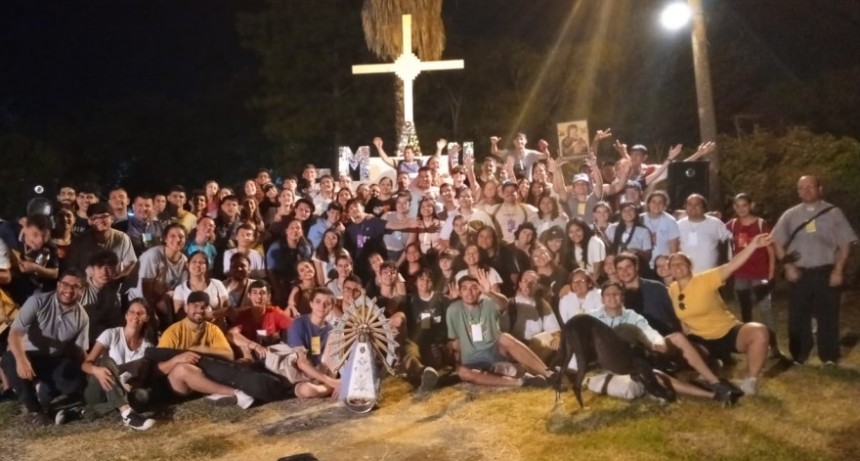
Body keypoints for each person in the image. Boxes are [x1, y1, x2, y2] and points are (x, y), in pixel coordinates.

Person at [668, 233, 773, 395]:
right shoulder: (672, 290)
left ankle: (750, 382)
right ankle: (710, 369)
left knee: (759, 331)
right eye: (673, 265)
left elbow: (732, 265)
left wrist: (753, 245)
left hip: (726, 330)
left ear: (690, 266)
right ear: (670, 271)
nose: (677, 267)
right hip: (700, 340)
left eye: (681, 263)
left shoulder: (705, 279)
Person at [772, 175, 858, 365]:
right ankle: (799, 354)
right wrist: (788, 266)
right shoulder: (790, 214)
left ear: (820, 188)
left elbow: (845, 243)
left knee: (828, 314)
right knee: (797, 315)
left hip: (825, 271)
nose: (807, 190)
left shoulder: (833, 213)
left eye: (811, 186)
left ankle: (829, 356)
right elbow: (776, 241)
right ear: (798, 191)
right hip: (799, 273)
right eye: (802, 187)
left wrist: (838, 270)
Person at [2, 271, 90, 425]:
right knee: (10, 359)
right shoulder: (37, 301)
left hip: (53, 361)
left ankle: (43, 391)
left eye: (76, 286)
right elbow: (14, 334)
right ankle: (35, 411)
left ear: (82, 291)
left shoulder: (82, 317)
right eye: (66, 284)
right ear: (58, 284)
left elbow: (79, 351)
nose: (69, 290)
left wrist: (90, 372)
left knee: (76, 382)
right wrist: (22, 360)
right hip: (28, 355)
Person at [446, 272, 554, 388]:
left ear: (479, 290)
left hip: (495, 352)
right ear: (460, 292)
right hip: (473, 360)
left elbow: (504, 303)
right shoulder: (453, 310)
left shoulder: (488, 304)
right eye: (465, 288)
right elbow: (455, 340)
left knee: (504, 337)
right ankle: (521, 382)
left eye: (474, 288)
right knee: (463, 372)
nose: (469, 292)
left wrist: (489, 292)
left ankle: (549, 374)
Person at [155, 291, 254, 409]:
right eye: (195, 306)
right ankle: (235, 393)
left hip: (206, 375)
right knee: (182, 368)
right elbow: (159, 369)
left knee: (239, 363)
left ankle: (217, 393)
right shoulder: (172, 332)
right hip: (179, 385)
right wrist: (178, 359)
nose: (199, 310)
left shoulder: (212, 329)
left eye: (203, 307)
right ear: (186, 308)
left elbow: (228, 355)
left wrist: (199, 350)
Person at [81, 298, 157, 430]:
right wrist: (96, 370)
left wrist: (131, 385)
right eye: (132, 312)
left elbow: (142, 380)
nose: (135, 316)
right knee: (107, 362)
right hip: (99, 388)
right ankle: (127, 414)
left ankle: (86, 412)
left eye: (140, 313)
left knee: (142, 395)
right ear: (126, 315)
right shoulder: (111, 334)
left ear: (147, 318)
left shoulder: (147, 346)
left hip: (122, 391)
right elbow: (86, 364)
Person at [726, 193, 781, 356]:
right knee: (744, 310)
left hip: (760, 273)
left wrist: (771, 273)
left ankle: (774, 347)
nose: (741, 209)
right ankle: (748, 344)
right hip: (741, 273)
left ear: (751, 205)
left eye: (744, 205)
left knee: (766, 309)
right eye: (737, 206)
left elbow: (771, 251)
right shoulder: (731, 225)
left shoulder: (761, 224)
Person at [127, 224, 189, 330]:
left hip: (163, 297)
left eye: (181, 236)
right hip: (140, 298)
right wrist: (152, 311)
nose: (177, 239)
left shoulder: (184, 260)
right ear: (165, 239)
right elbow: (145, 289)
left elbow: (182, 288)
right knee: (154, 322)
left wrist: (167, 297)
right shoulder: (154, 255)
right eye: (172, 236)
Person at [403, 269, 456, 392]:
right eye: (421, 279)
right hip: (419, 342)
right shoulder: (411, 301)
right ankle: (423, 373)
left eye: (429, 280)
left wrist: (454, 300)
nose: (425, 282)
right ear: (416, 282)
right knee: (410, 351)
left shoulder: (441, 298)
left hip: (440, 341)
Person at [285, 287, 341, 398]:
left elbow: (331, 362)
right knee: (307, 390)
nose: (322, 306)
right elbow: (301, 363)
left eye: (327, 303)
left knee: (337, 334)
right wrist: (331, 382)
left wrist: (330, 378)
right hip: (299, 374)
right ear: (311, 304)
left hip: (319, 373)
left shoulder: (330, 330)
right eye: (318, 301)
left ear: (331, 307)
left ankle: (331, 386)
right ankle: (331, 387)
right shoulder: (298, 324)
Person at [66, 202, 137, 275]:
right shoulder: (79, 241)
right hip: (86, 284)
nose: (99, 220)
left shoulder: (122, 238)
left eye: (104, 216)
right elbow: (71, 268)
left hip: (114, 283)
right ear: (89, 221)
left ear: (112, 218)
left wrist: (118, 279)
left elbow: (131, 265)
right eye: (94, 218)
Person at [228, 280, 292, 360]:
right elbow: (230, 334)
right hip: (252, 354)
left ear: (268, 296)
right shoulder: (245, 315)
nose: (258, 296)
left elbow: (296, 326)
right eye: (255, 293)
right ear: (249, 295)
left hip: (271, 354)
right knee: (243, 347)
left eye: (262, 293)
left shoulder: (274, 312)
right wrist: (255, 346)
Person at [506, 271, 560, 363]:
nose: (528, 284)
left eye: (532, 282)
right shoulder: (510, 304)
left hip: (537, 348)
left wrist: (557, 337)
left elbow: (554, 330)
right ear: (520, 284)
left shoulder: (542, 304)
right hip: (516, 347)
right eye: (525, 281)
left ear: (537, 286)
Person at [677, 194, 732, 273]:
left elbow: (731, 238)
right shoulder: (678, 225)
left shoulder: (715, 223)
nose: (693, 207)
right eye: (689, 204)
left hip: (710, 274)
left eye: (697, 204)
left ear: (704, 207)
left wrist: (729, 260)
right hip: (685, 274)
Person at [79, 250, 124, 345]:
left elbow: (115, 321)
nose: (104, 272)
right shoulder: (80, 289)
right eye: (99, 267)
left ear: (115, 270)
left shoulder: (113, 291)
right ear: (91, 270)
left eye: (109, 268)